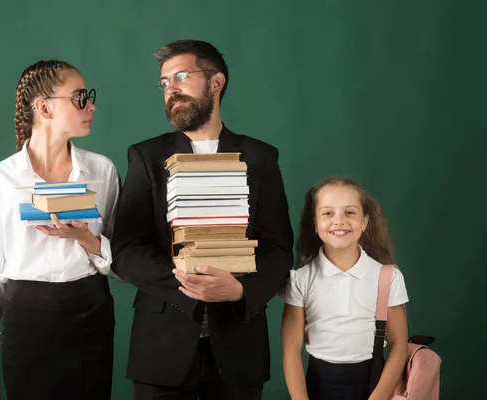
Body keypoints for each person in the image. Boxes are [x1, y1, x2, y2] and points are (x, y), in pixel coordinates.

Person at [111, 40, 294, 399]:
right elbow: (126, 248)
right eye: (164, 83)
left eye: (181, 76)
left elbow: (280, 249)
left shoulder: (260, 158)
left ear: (216, 82)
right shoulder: (146, 157)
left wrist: (241, 290)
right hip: (160, 348)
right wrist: (191, 285)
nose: (171, 89)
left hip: (239, 347)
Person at [0, 60, 120, 400]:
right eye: (79, 97)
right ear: (44, 107)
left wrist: (85, 238)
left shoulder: (103, 171)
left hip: (90, 313)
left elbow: (121, 260)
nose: (90, 105)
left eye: (88, 96)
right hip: (26, 318)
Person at [280, 177, 409, 400]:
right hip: (317, 386)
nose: (339, 221)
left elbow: (399, 346)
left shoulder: (388, 278)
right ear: (315, 223)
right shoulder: (300, 279)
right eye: (328, 213)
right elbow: (291, 350)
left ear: (365, 221)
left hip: (374, 386)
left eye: (350, 212)